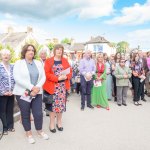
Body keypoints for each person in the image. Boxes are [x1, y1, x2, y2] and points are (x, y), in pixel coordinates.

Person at [13, 44, 49, 144]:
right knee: (25, 114)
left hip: (37, 92)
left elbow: (43, 77)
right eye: (28, 50)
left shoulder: (38, 62)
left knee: (38, 113)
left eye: (32, 50)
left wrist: (37, 88)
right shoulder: (18, 63)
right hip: (23, 93)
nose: (31, 52)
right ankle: (28, 133)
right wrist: (32, 87)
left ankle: (39, 131)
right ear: (24, 52)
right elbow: (17, 78)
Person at [43, 44, 72, 133]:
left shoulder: (65, 60)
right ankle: (52, 123)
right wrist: (57, 78)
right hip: (53, 86)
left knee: (61, 106)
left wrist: (66, 77)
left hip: (62, 87)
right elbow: (47, 74)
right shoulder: (48, 61)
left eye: (61, 50)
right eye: (58, 49)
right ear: (54, 50)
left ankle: (59, 122)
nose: (59, 51)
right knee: (52, 107)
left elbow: (70, 72)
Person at [0, 49, 15, 135]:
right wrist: (3, 91)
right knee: (2, 111)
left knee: (10, 110)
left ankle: (10, 126)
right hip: (2, 94)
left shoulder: (12, 66)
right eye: (4, 54)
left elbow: (15, 79)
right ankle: (4, 128)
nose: (6, 56)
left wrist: (13, 91)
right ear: (1, 56)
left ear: (10, 56)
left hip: (11, 93)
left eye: (8, 54)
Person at [39, 47, 49, 116]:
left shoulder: (48, 61)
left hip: (48, 81)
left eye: (44, 54)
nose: (43, 55)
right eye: (42, 54)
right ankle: (41, 111)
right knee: (41, 97)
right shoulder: (37, 61)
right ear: (39, 55)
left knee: (48, 96)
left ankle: (48, 110)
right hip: (40, 82)